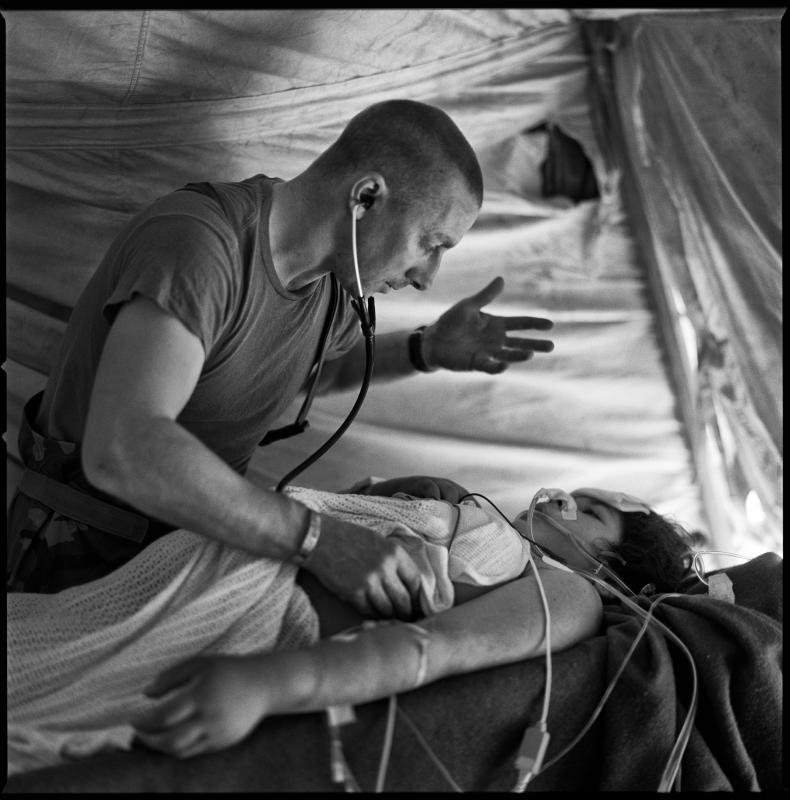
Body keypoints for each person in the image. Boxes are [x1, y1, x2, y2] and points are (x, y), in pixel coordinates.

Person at [6, 98, 555, 616]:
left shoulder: (333, 291)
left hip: (187, 556)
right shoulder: (200, 245)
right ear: (365, 197)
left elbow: (305, 375)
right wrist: (318, 540)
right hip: (75, 554)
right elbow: (123, 448)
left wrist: (425, 350)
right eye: (430, 243)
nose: (426, 277)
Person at [7, 481, 703, 772]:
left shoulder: (569, 595)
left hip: (247, 616)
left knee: (41, 704)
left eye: (588, 514)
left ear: (616, 574)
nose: (559, 498)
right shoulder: (493, 528)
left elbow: (429, 649)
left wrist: (266, 685)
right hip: (202, 579)